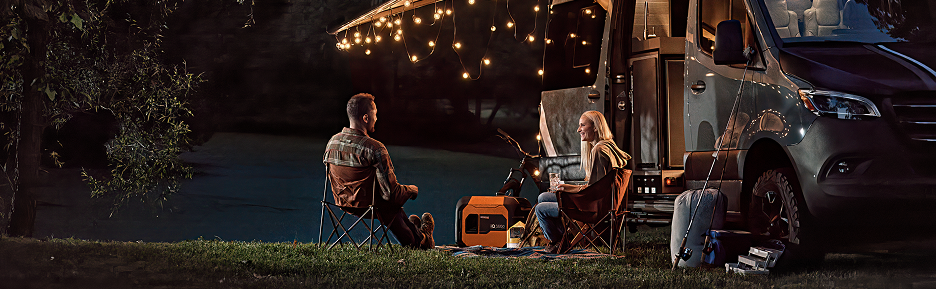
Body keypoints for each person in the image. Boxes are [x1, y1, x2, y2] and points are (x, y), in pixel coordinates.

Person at [323, 93, 435, 249]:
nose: (376, 118)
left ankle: (416, 231)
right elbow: (391, 193)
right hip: (370, 206)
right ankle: (422, 239)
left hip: (341, 203)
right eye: (375, 114)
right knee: (390, 204)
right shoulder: (374, 148)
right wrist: (411, 190)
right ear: (366, 118)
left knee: (388, 204)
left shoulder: (332, 143)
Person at [535, 110, 631, 253]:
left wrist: (566, 189)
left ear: (596, 127)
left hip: (594, 209)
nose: (578, 130)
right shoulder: (608, 146)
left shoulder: (599, 150)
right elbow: (595, 186)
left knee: (540, 209)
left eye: (582, 125)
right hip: (606, 204)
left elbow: (591, 190)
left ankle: (558, 241)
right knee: (543, 197)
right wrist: (565, 187)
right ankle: (563, 238)